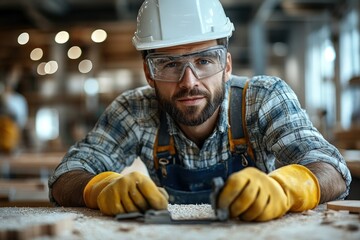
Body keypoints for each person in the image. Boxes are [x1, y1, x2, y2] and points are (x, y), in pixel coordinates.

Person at [49, 0, 351, 222]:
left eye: (205, 61)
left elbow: (332, 169)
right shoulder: (134, 110)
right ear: (148, 73)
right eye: (169, 64)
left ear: (227, 66)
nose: (189, 82)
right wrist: (100, 187)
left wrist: (284, 189)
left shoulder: (264, 98)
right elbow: (65, 176)